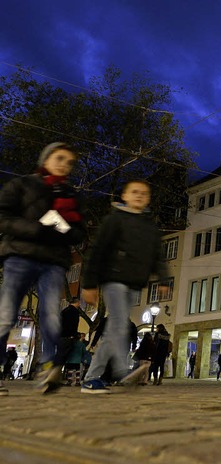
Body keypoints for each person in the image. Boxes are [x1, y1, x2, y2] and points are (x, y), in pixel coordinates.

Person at [0, 142, 86, 396]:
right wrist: (36, 228)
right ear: (46, 158)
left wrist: (63, 228)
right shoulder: (22, 185)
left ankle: (49, 367)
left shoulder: (71, 196)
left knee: (50, 314)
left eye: (69, 162)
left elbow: (78, 233)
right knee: (6, 313)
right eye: (60, 158)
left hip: (54, 260)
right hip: (20, 254)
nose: (64, 164)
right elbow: (2, 216)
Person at [80, 179, 169, 394]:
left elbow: (157, 255)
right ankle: (122, 371)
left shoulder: (149, 225)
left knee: (114, 330)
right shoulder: (115, 220)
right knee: (118, 325)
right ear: (125, 196)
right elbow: (98, 251)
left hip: (134, 283)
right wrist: (89, 284)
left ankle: (92, 378)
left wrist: (164, 279)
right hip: (114, 279)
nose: (139, 195)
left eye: (144, 193)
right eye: (134, 192)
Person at [54, 297, 81, 378]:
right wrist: (73, 335)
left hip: (60, 336)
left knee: (59, 355)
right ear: (77, 303)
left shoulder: (64, 311)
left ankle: (54, 374)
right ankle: (54, 375)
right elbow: (73, 325)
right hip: (68, 336)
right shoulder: (74, 312)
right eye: (79, 303)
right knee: (63, 356)